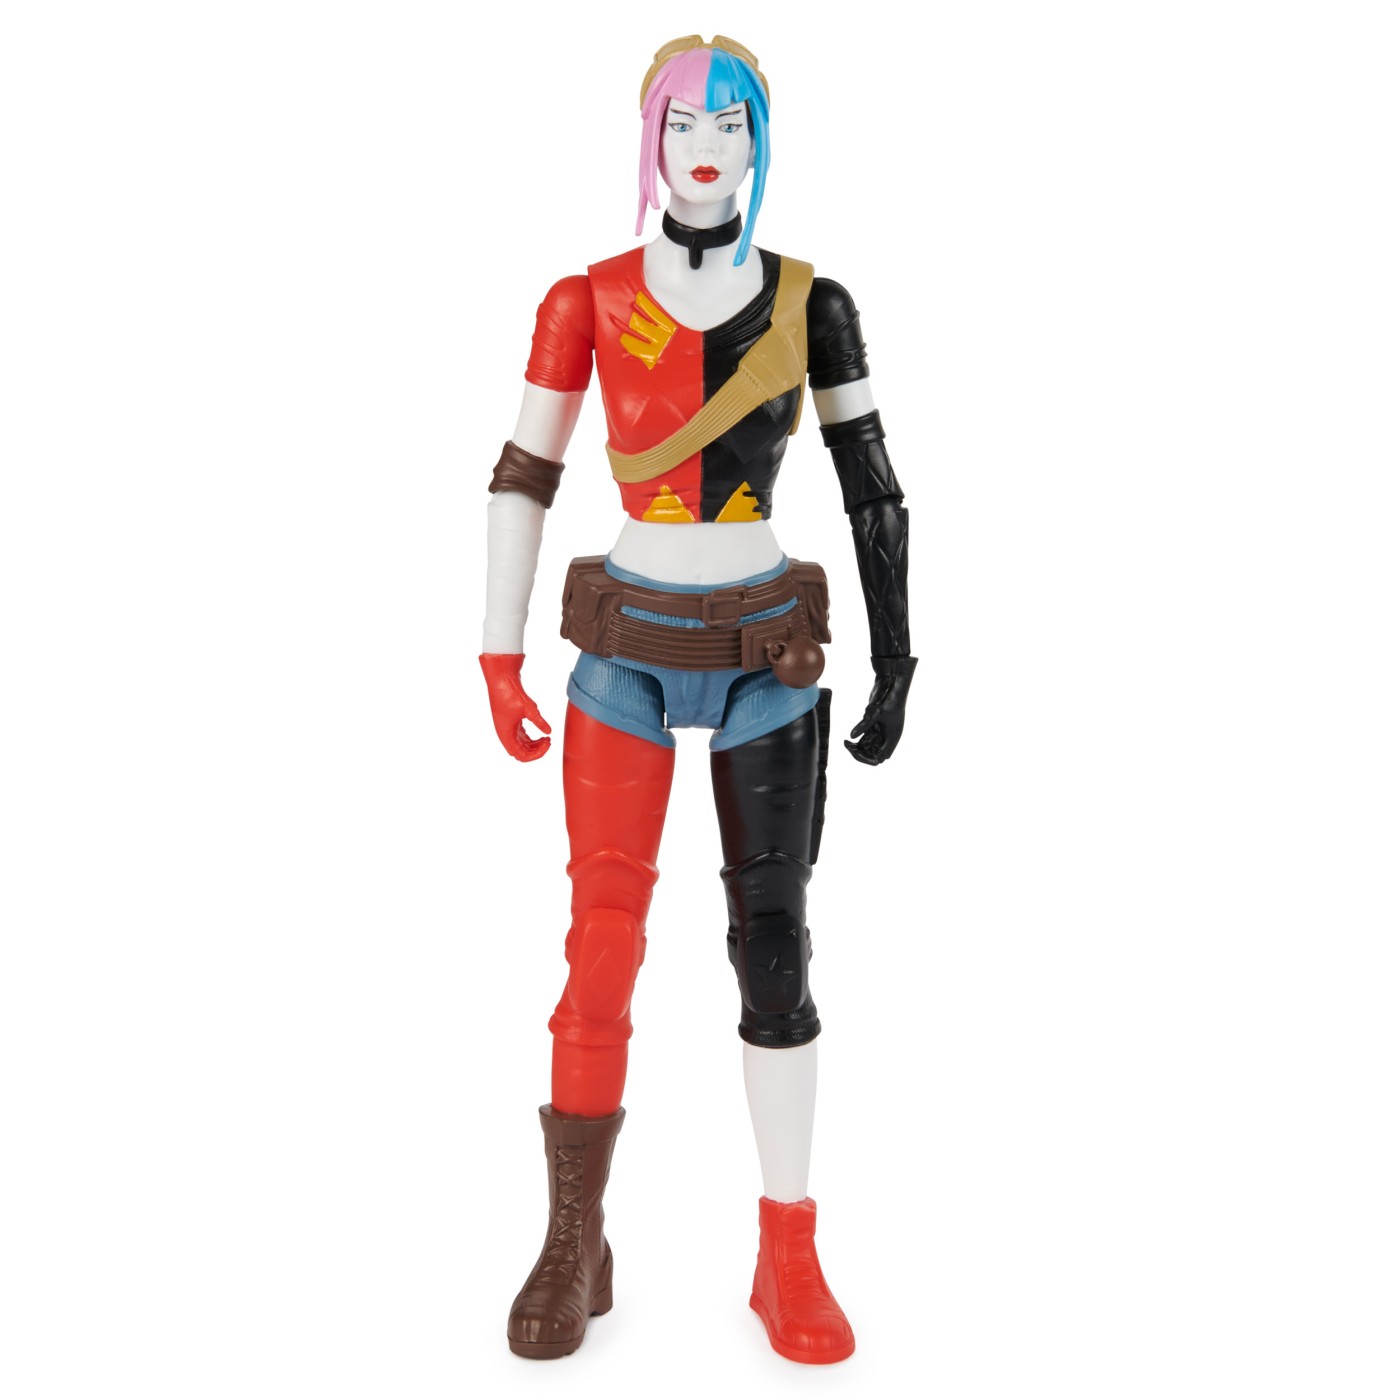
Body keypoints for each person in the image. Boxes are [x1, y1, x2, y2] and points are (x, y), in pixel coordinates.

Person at [479, 35, 915, 1364]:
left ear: (760, 143)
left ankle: (789, 1247)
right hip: (624, 646)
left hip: (768, 656)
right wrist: (497, 649)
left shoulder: (812, 303)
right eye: (683, 122)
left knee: (774, 950)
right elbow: (525, 472)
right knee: (601, 944)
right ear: (650, 138)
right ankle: (574, 1236)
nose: (706, 145)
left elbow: (870, 481)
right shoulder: (590, 299)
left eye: (732, 123)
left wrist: (898, 651)